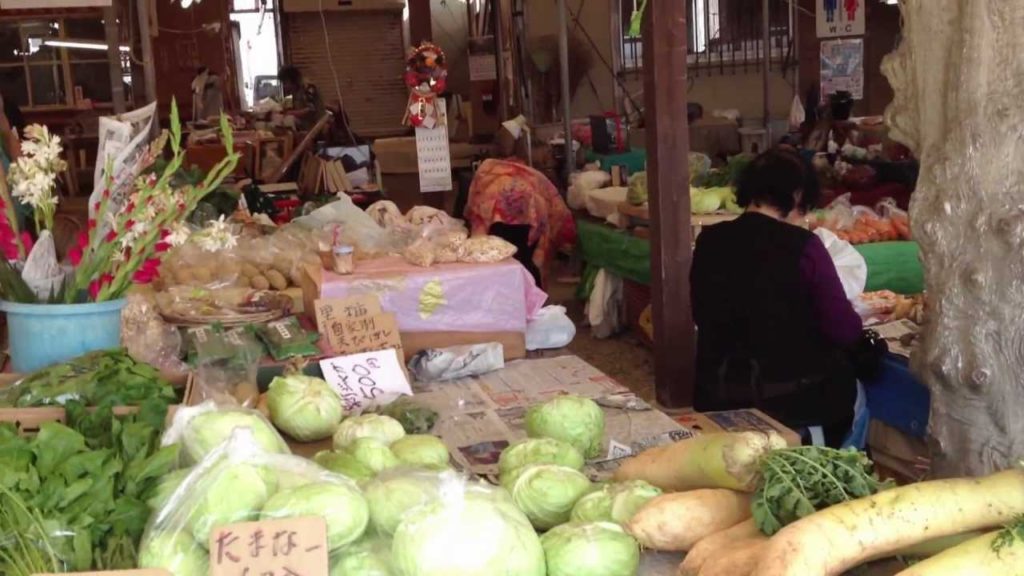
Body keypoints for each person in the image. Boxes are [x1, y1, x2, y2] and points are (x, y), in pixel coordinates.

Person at [690, 148, 862, 447]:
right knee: (860, 387)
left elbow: (702, 314)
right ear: (797, 195)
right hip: (790, 399)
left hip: (717, 391)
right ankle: (837, 460)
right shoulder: (804, 246)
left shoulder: (709, 240)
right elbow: (844, 329)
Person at [278, 65, 324, 131]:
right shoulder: (296, 90)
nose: (284, 86)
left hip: (316, 128)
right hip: (305, 127)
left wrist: (290, 113)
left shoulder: (308, 88)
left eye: (285, 83)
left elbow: (310, 110)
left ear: (292, 79)